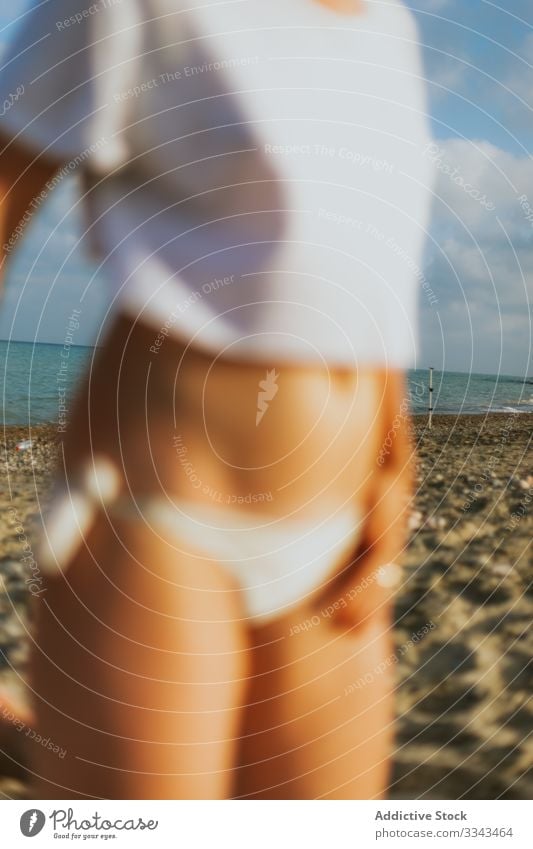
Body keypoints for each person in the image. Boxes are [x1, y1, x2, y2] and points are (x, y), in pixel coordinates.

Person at [0, 0, 433, 799]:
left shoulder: (388, 30)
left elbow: (369, 273)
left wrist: (393, 465)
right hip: (156, 519)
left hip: (331, 536)